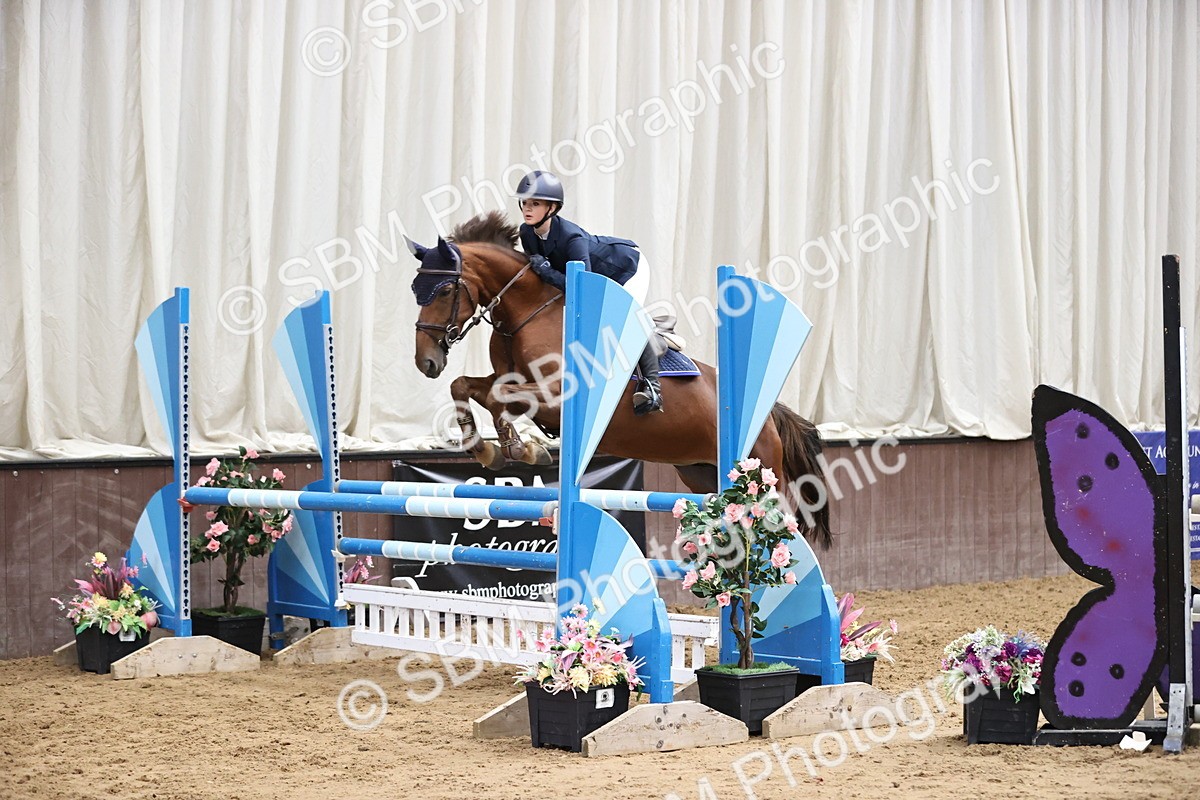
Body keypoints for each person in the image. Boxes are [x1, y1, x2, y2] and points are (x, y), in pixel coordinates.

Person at [515, 170, 663, 415]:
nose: (527, 209)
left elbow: (584, 288)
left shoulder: (572, 238)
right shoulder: (526, 232)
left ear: (552, 208)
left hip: (626, 268)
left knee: (625, 317)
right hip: (591, 275)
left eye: (536, 204)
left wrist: (545, 271)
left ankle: (653, 388)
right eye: (526, 203)